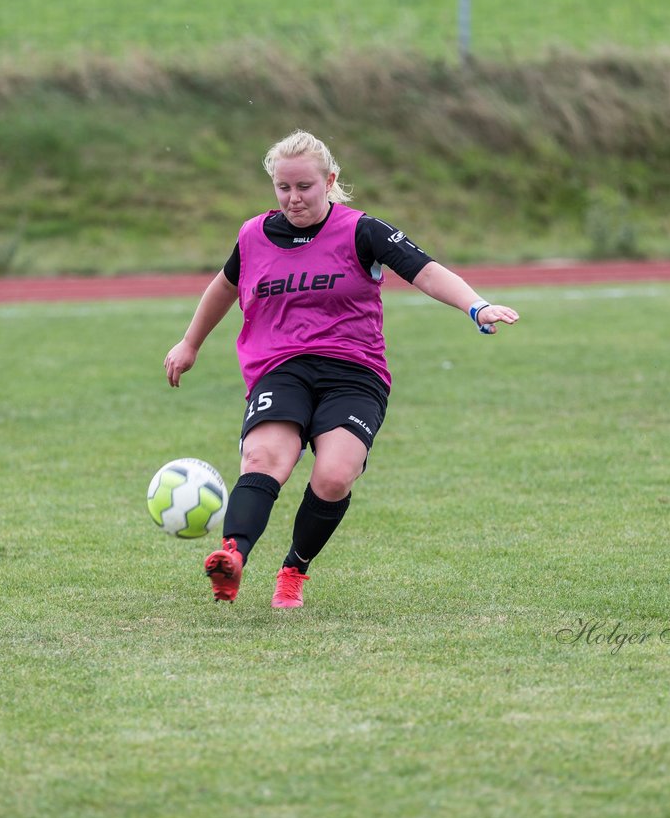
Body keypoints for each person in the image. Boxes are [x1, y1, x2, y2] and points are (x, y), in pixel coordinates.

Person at [164, 129, 519, 608]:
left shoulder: (362, 230)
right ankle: (233, 556)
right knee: (265, 457)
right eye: (283, 187)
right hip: (281, 368)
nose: (293, 198)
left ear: (329, 181)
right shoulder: (253, 236)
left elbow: (426, 271)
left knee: (334, 475)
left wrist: (476, 306)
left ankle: (293, 571)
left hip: (354, 373)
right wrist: (190, 343)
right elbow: (224, 288)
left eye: (304, 187)